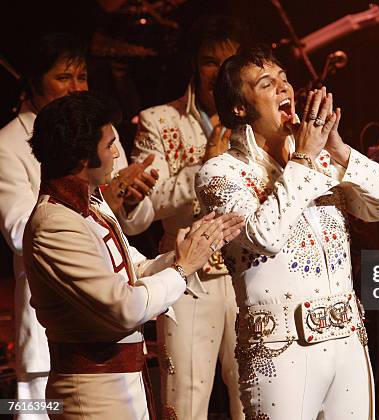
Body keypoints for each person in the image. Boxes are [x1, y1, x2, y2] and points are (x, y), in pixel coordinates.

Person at [195, 44, 379, 419]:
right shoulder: (220, 173)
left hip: (348, 343)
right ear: (240, 107)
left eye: (284, 79)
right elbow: (265, 235)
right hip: (280, 350)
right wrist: (306, 159)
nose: (284, 88)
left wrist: (339, 151)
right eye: (266, 83)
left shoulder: (321, 159)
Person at [23, 90, 243, 419]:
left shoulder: (91, 207)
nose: (116, 154)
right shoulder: (54, 223)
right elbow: (125, 306)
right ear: (84, 159)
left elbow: (135, 269)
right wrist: (182, 269)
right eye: (110, 145)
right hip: (92, 395)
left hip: (122, 384)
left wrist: (189, 250)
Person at [0, 33, 156, 418]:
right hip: (53, 325)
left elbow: (128, 224)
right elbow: (23, 229)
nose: (75, 88)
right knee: (36, 410)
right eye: (63, 77)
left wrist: (128, 200)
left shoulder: (101, 131)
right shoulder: (8, 142)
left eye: (82, 76)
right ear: (35, 82)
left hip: (114, 332)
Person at [130, 14, 246, 419]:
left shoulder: (259, 119)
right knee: (185, 400)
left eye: (229, 62)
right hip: (190, 276)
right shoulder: (160, 121)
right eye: (210, 61)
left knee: (257, 399)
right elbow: (139, 212)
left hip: (253, 274)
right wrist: (204, 168)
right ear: (196, 65)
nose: (219, 72)